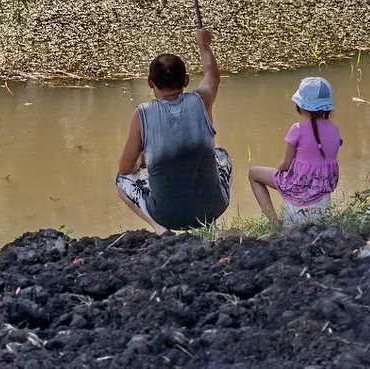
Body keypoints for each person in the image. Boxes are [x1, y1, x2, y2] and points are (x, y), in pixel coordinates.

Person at [116, 28, 232, 234]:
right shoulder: (202, 99)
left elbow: (125, 168)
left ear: (150, 83)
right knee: (221, 154)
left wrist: (143, 160)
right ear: (186, 81)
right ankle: (209, 224)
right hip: (213, 207)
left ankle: (159, 228)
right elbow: (212, 75)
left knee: (121, 179)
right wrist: (204, 44)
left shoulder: (142, 113)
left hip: (166, 215)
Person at [249, 77, 342, 226]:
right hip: (321, 192)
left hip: (297, 187)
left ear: (300, 106)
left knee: (253, 173)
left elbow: (286, 164)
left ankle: (274, 223)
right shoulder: (334, 129)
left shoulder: (297, 129)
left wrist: (277, 175)